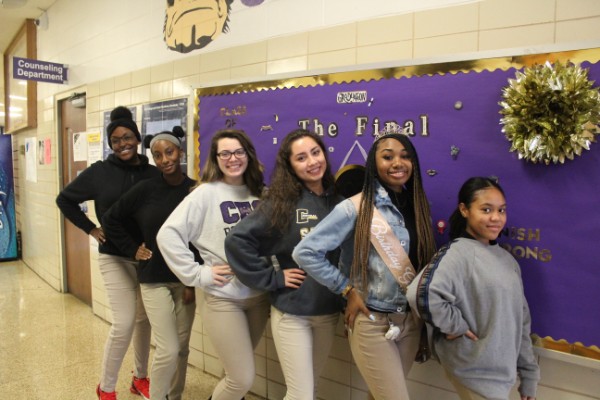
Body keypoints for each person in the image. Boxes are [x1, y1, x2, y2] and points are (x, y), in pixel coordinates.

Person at [292, 130, 436, 400]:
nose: (397, 163)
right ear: (374, 164)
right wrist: (347, 289)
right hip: (373, 321)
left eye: (405, 156)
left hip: (410, 321)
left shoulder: (418, 205)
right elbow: (306, 252)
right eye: (387, 156)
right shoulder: (356, 208)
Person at [225, 129, 344, 400]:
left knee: (309, 389)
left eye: (316, 152)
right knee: (300, 395)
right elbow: (237, 241)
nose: (312, 162)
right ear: (290, 166)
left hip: (327, 313)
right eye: (301, 157)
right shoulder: (281, 203)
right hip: (293, 314)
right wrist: (273, 278)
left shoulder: (339, 203)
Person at [156, 129, 270, 400]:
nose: (233, 158)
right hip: (223, 297)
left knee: (233, 375)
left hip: (259, 296)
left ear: (249, 155)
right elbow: (167, 235)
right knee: (242, 378)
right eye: (225, 153)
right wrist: (197, 274)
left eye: (239, 151)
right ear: (216, 158)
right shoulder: (205, 194)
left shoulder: (261, 194)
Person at [56, 106, 159, 400]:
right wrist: (91, 228)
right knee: (125, 321)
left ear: (137, 139)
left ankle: (140, 378)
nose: (122, 144)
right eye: (115, 140)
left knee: (144, 320)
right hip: (114, 256)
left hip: (145, 256)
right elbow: (64, 200)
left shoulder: (152, 174)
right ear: (110, 143)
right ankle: (106, 386)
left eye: (127, 137)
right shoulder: (99, 172)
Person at [406, 177, 540, 400]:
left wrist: (529, 375)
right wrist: (455, 326)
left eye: (501, 210)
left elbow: (521, 322)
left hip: (502, 376)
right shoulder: (458, 253)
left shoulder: (508, 261)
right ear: (464, 210)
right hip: (474, 372)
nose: (496, 218)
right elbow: (420, 294)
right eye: (486, 209)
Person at [102, 127, 197, 400]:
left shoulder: (194, 190)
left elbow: (199, 238)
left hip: (185, 280)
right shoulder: (145, 189)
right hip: (153, 279)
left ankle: (173, 395)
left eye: (169, 152)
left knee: (182, 348)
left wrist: (192, 280)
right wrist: (132, 249)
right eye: (158, 155)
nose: (165, 159)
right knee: (167, 348)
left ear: (180, 151)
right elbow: (111, 218)